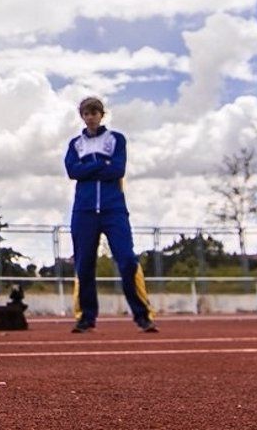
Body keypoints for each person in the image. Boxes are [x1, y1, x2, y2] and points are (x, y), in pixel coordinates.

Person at [65, 96, 157, 334]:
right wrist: (100, 166)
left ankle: (142, 315)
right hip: (84, 211)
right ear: (82, 116)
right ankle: (86, 317)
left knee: (127, 260)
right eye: (86, 113)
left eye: (94, 112)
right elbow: (72, 171)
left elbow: (118, 168)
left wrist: (90, 170)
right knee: (84, 264)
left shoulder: (116, 139)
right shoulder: (76, 144)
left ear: (102, 114)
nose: (91, 117)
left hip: (113, 208)